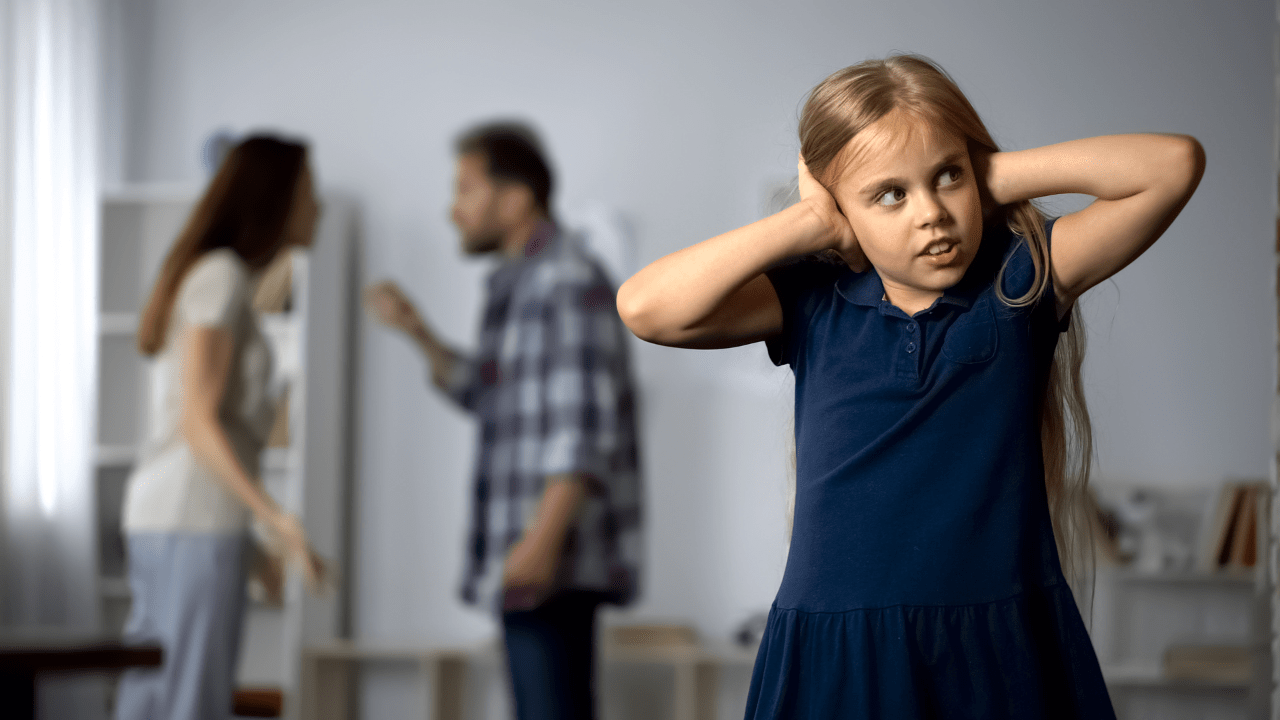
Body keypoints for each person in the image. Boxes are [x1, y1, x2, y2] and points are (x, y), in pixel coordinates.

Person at [617, 54, 1204, 719]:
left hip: (996, 646)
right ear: (843, 210)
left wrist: (988, 173)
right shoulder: (813, 299)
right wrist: (809, 223)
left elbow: (1172, 165)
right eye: (890, 194)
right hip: (836, 648)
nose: (932, 213)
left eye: (946, 177)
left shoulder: (1021, 281)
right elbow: (646, 308)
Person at [365, 121, 642, 720]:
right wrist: (418, 332)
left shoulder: (562, 280)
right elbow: (493, 400)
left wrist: (539, 543)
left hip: (549, 555)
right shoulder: (521, 284)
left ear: (516, 198)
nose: (452, 209)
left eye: (465, 189)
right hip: (536, 551)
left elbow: (582, 428)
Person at [115, 135, 327, 720]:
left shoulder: (218, 276)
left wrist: (256, 541)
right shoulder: (222, 276)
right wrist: (276, 519)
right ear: (274, 199)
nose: (319, 206)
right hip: (192, 519)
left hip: (185, 517)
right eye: (308, 192)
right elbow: (199, 420)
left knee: (159, 692)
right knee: (188, 699)